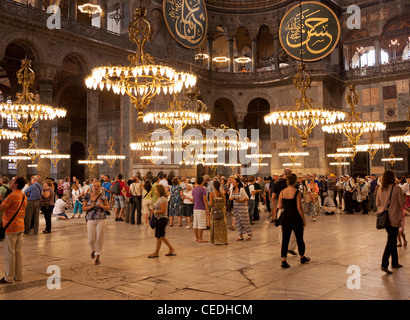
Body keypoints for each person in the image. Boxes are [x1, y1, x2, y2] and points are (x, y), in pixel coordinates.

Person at [376, 170, 405, 274]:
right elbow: (402, 203)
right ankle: (384, 264)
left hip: (385, 218)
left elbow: (377, 203)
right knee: (391, 241)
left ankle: (395, 262)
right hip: (394, 217)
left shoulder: (380, 188)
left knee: (392, 240)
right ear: (393, 177)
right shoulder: (397, 188)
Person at [277, 173, 309, 268]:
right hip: (295, 218)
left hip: (286, 218)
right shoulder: (297, 192)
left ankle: (283, 260)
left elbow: (280, 206)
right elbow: (299, 207)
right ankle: (302, 257)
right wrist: (303, 219)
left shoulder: (282, 192)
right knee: (299, 238)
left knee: (285, 240)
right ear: (295, 181)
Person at [0, 176, 27, 284]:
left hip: (10, 228)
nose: (10, 183)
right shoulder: (24, 195)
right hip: (20, 226)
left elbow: (1, 208)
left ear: (15, 184)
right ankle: (18, 276)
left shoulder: (12, 195)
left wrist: (2, 201)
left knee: (9, 253)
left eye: (12, 181)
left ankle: (8, 277)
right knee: (18, 252)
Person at [82, 182, 110, 265]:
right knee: (91, 239)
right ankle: (93, 250)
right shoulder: (87, 196)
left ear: (100, 187)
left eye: (98, 186)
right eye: (95, 186)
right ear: (92, 187)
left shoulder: (103, 197)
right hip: (90, 219)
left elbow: (108, 208)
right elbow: (83, 208)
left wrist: (101, 206)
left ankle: (97, 257)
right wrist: (91, 206)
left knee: (99, 238)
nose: (96, 187)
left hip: (101, 219)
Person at [148, 184, 176, 258]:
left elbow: (163, 210)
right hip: (160, 219)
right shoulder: (161, 198)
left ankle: (156, 253)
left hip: (161, 219)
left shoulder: (162, 199)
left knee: (159, 237)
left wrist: (154, 212)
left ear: (159, 191)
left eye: (156, 190)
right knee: (162, 236)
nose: (155, 191)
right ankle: (171, 249)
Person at [209, 180, 228, 245]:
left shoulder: (212, 194)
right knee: (222, 226)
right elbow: (224, 203)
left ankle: (216, 240)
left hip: (215, 211)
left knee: (215, 226)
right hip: (221, 211)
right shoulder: (222, 193)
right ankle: (224, 240)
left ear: (213, 186)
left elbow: (211, 204)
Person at [192, 176, 210, 243]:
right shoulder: (203, 189)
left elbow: (193, 199)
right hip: (201, 208)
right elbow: (205, 200)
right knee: (201, 223)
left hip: (195, 207)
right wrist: (207, 209)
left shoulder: (193, 189)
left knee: (195, 223)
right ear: (202, 182)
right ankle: (200, 238)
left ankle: (196, 238)